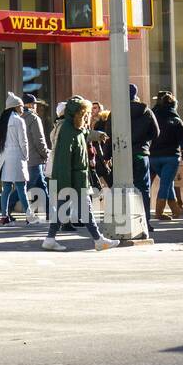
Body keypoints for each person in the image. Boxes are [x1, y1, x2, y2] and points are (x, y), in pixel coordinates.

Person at [43, 96, 119, 252]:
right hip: (72, 179)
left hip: (75, 178)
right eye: (84, 113)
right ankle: (98, 240)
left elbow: (84, 133)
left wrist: (97, 134)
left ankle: (50, 239)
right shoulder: (67, 129)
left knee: (67, 210)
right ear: (75, 113)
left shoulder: (73, 127)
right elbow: (63, 160)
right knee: (85, 209)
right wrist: (65, 184)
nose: (87, 116)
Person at [101, 84, 159, 233]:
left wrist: (107, 156)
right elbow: (156, 132)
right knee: (143, 190)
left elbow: (109, 136)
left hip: (121, 155)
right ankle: (144, 222)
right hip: (141, 154)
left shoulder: (116, 113)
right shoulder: (146, 111)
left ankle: (124, 222)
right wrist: (144, 142)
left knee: (122, 188)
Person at [0, 92, 35, 226]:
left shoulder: (0, 122)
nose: (22, 108)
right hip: (17, 157)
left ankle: (4, 216)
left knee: (6, 189)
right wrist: (26, 156)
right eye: (21, 106)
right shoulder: (19, 121)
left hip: (3, 158)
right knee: (21, 187)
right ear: (15, 107)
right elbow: (23, 142)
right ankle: (29, 215)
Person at [148, 92, 183, 222]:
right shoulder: (176, 120)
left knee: (168, 182)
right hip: (171, 157)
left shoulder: (152, 117)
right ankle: (159, 212)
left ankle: (176, 210)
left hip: (153, 157)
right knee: (165, 184)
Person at [22, 93, 50, 218]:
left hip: (25, 158)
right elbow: (39, 140)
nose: (35, 106)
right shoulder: (33, 118)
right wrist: (46, 154)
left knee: (42, 185)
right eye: (33, 104)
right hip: (35, 159)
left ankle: (51, 212)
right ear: (28, 105)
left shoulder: (18, 117)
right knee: (25, 186)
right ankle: (7, 205)